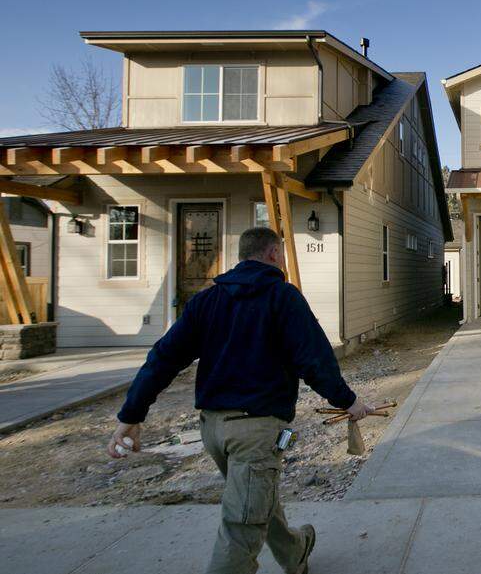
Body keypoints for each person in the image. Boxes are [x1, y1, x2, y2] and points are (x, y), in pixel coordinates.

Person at [107, 227, 374, 574]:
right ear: (274, 254)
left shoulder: (206, 301)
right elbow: (314, 360)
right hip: (256, 431)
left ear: (241, 256)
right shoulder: (283, 297)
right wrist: (348, 401)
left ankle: (294, 552)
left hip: (213, 431)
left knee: (254, 497)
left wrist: (131, 415)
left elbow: (163, 359)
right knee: (241, 526)